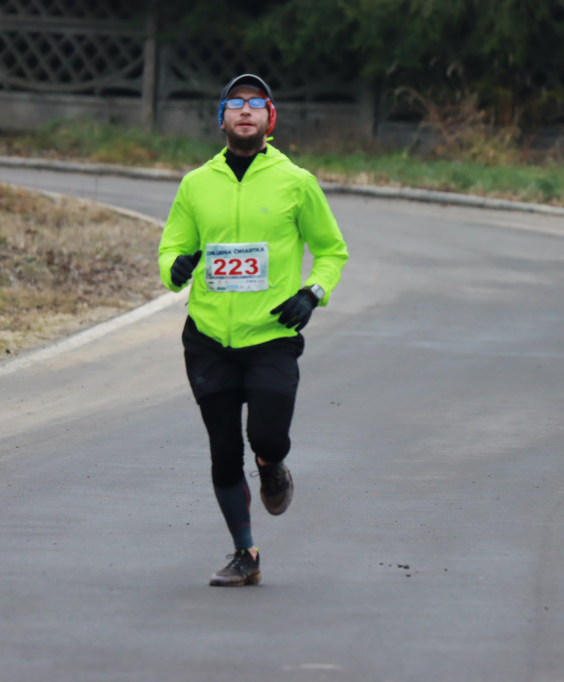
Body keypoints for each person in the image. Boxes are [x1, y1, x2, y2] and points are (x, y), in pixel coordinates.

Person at [158, 74, 349, 586]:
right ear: (221, 118)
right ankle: (246, 555)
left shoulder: (296, 182)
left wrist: (313, 293)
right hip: (208, 340)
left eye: (256, 104)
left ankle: (272, 465)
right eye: (234, 104)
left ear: (270, 120)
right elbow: (171, 245)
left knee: (266, 435)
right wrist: (174, 268)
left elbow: (332, 250)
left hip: (271, 336)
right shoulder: (196, 184)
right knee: (224, 453)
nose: (245, 111)